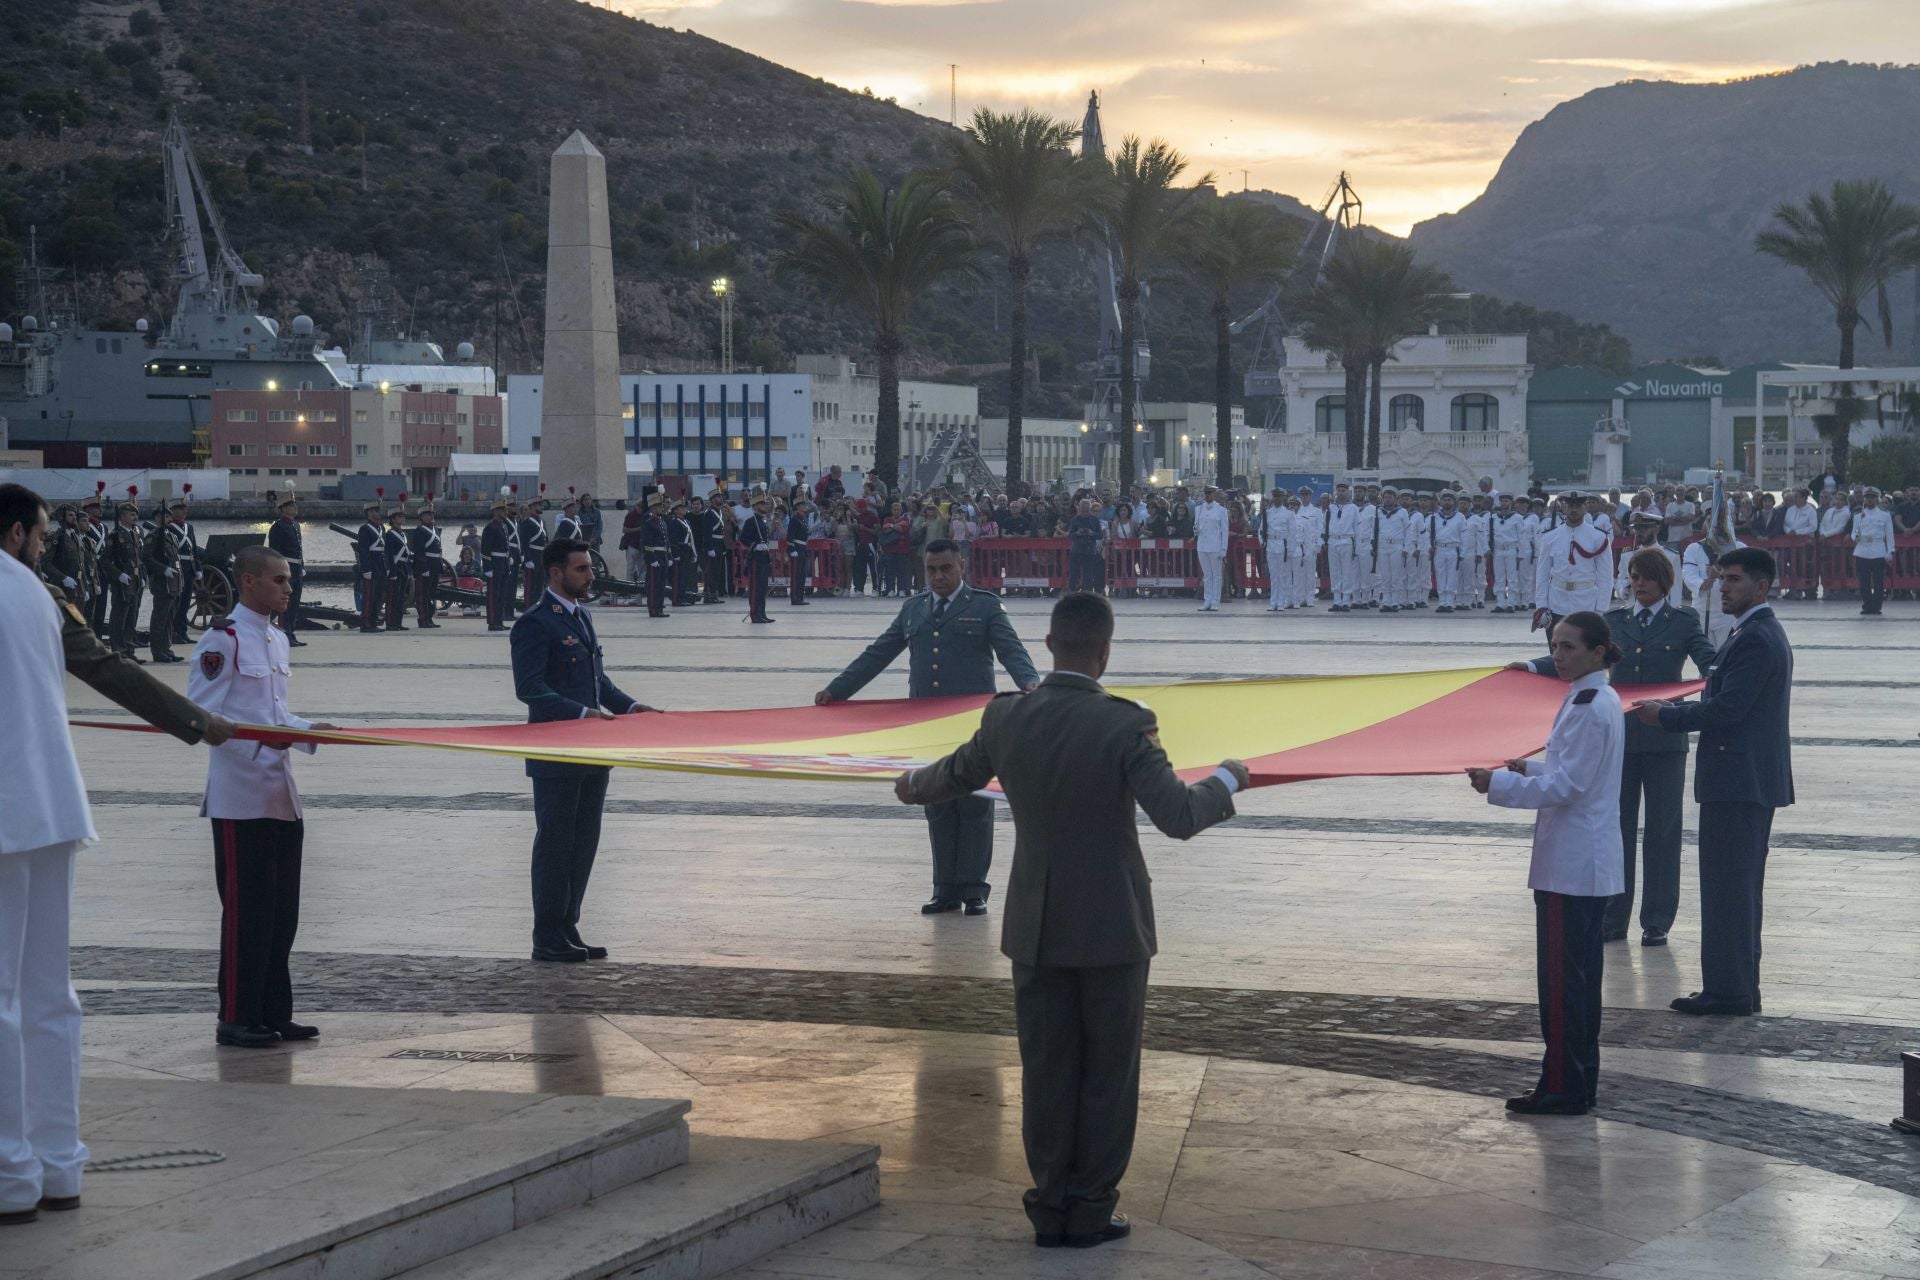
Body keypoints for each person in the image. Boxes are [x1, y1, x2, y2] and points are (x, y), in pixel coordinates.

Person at [894, 592, 1246, 1248]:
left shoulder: (1006, 717)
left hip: (1035, 926)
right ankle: (1090, 1209)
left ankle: (1050, 1204)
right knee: (1108, 1074)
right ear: (1105, 652)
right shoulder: (1126, 724)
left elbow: (954, 775)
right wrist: (1227, 779)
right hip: (1113, 929)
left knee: (1047, 1071)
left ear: (1050, 645)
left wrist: (910, 784)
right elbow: (1178, 815)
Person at [1, 483, 233, 1226]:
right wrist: (197, 721)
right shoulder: (37, 595)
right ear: (16, 536)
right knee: (49, 994)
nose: (42, 547)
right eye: (42, 536)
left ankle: (8, 1173)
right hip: (52, 808)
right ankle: (56, 1163)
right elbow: (108, 668)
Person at [819, 539, 1039, 914]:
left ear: (962, 566)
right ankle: (944, 889)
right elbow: (877, 654)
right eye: (931, 570)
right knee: (937, 803)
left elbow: (1011, 651)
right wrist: (836, 690)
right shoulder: (913, 609)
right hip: (927, 726)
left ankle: (974, 889)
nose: (938, 577)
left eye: (945, 569)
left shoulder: (984, 606)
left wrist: (1031, 685)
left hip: (970, 726)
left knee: (974, 804)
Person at [1513, 547, 1716, 946]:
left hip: (1664, 740)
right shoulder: (1615, 621)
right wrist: (1533, 666)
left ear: (1664, 582)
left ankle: (1657, 919)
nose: (1639, 584)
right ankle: (1613, 916)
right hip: (1620, 738)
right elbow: (1580, 653)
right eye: (1634, 577)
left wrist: (1721, 673)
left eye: (1647, 577)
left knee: (1662, 832)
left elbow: (1708, 661)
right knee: (1616, 827)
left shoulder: (1683, 621)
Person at [1469, 611, 1625, 1115]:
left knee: (1562, 984)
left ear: (1597, 651)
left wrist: (1498, 783)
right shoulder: (1594, 698)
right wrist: (1528, 768)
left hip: (1571, 866)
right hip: (1582, 861)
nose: (1558, 655)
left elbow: (1568, 786)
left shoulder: (1587, 705)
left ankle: (1563, 1086)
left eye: (1568, 647)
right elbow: (1571, 770)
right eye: (1554, 645)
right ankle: (1576, 1080)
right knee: (1577, 981)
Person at [1634, 547, 1793, 1017]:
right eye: (1722, 578)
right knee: (1736, 888)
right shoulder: (1749, 632)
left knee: (1728, 889)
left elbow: (1728, 709)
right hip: (1741, 779)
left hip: (1738, 781)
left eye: (1735, 579)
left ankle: (1728, 992)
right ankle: (1739, 987)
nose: (1723, 587)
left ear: (1761, 587)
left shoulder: (1757, 638)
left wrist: (1666, 716)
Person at [187, 546, 334, 1048]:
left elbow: (274, 713)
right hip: (240, 798)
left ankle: (274, 1012)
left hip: (279, 792)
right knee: (246, 914)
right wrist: (264, 739)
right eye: (279, 580)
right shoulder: (222, 639)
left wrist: (310, 731)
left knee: (281, 914)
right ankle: (236, 1016)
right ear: (248, 581)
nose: (288, 588)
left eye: (288, 580)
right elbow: (202, 718)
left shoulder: (275, 637)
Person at [512, 538, 658, 963]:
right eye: (581, 569)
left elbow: (599, 682)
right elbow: (530, 689)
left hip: (593, 752)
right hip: (556, 753)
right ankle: (546, 934)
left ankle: (568, 926)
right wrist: (581, 713)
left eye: (590, 568)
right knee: (556, 844)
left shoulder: (583, 616)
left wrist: (631, 707)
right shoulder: (535, 624)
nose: (591, 576)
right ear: (556, 573)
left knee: (583, 844)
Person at [1533, 491, 1613, 645]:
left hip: (1586, 603)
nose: (1574, 510)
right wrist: (1541, 605)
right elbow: (1542, 573)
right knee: (1557, 652)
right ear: (1564, 507)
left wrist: (1601, 609)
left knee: (1585, 651)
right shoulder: (1550, 536)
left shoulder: (1598, 537)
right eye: (1570, 506)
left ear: (1585, 507)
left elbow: (1605, 576)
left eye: (1578, 506)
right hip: (1556, 603)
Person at [1682, 530, 1745, 648]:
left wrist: (1720, 575)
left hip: (1728, 612)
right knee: (1704, 651)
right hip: (1702, 609)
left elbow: (1744, 576)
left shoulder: (1739, 547)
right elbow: (1688, 573)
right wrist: (1701, 584)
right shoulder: (1694, 548)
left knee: (1727, 650)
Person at [1617, 512, 1682, 608]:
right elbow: (1620, 581)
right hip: (1634, 610)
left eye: (1644, 528)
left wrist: (1674, 612)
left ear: (1656, 529)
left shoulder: (1670, 556)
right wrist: (1623, 590)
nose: (1639, 532)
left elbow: (1675, 589)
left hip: (1660, 611)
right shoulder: (1627, 555)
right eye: (1636, 528)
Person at [267, 496, 307, 646]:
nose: (295, 508)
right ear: (283, 508)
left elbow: (299, 550)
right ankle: (284, 634)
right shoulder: (278, 527)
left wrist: (302, 567)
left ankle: (291, 633)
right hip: (286, 569)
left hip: (296, 569)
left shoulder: (295, 525)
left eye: (295, 505)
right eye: (291, 506)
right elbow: (275, 552)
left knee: (294, 603)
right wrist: (279, 571)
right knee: (285, 604)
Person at [1849, 487, 1894, 615]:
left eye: (1872, 498)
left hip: (1878, 550)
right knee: (1864, 582)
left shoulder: (1884, 515)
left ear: (1877, 499)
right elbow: (1853, 534)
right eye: (1867, 497)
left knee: (1879, 582)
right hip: (1862, 551)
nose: (1870, 500)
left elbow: (1889, 535)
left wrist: (1890, 551)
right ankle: (1867, 605)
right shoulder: (1858, 516)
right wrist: (1858, 538)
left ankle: (1877, 606)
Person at [739, 496, 778, 623]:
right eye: (762, 504)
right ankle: (755, 614)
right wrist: (755, 545)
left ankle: (762, 613)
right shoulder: (751, 521)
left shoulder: (763, 520)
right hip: (755, 558)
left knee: (762, 587)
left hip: (763, 557)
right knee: (755, 587)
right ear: (755, 506)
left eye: (765, 504)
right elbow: (743, 538)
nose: (765, 506)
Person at [1193, 486, 1230, 611]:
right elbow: (1196, 526)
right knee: (1207, 575)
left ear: (1214, 495)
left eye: (1210, 493)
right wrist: (1196, 530)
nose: (1208, 496)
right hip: (1202, 545)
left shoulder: (1221, 510)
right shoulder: (1199, 509)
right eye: (1206, 493)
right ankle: (1207, 600)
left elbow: (1225, 531)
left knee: (1217, 575)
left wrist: (1223, 549)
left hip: (1215, 546)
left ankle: (1215, 601)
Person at [481, 502, 516, 631]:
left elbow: (506, 545)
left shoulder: (504, 526)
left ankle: (499, 621)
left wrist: (509, 557)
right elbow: (485, 550)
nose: (505, 512)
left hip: (503, 563)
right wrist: (487, 568)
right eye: (502, 510)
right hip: (495, 563)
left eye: (505, 510)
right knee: (493, 595)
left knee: (502, 595)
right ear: (495, 512)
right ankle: (492, 622)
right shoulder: (490, 527)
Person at [1324, 483, 1359, 611]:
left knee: (1347, 572)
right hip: (1333, 540)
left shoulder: (1353, 508)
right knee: (1335, 572)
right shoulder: (1331, 507)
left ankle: (1345, 601)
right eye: (1339, 490)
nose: (1341, 493)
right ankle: (1337, 601)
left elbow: (1357, 528)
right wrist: (1325, 541)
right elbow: (1325, 524)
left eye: (1343, 490)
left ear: (1348, 493)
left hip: (1347, 540)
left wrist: (1357, 546)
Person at [409, 506, 444, 628]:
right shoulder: (420, 531)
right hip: (425, 566)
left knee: (431, 594)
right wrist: (424, 568)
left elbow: (439, 550)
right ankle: (423, 619)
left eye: (432, 514)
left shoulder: (435, 530)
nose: (431, 516)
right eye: (428, 515)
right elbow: (419, 551)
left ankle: (429, 618)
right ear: (422, 517)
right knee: (423, 595)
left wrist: (440, 566)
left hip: (435, 566)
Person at [641, 494, 674, 619]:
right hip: (655, 557)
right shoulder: (649, 523)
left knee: (661, 585)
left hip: (663, 556)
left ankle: (659, 608)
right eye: (659, 506)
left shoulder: (662, 522)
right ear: (653, 507)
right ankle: (653, 609)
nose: (662, 508)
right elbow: (646, 543)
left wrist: (669, 556)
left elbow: (667, 541)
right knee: (653, 585)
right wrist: (652, 559)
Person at [381, 508, 412, 631]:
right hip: (395, 567)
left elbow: (406, 554)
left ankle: (398, 623)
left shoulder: (403, 534)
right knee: (393, 597)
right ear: (392, 519)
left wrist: (409, 571)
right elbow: (388, 554)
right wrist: (391, 571)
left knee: (401, 597)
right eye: (399, 516)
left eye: (403, 516)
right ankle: (390, 623)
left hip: (403, 567)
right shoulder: (390, 534)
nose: (402, 518)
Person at [786, 497, 813, 606]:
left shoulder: (803, 519)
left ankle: (800, 596)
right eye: (802, 504)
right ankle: (795, 598)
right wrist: (792, 549)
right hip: (797, 548)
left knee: (802, 575)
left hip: (803, 548)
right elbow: (790, 536)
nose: (805, 506)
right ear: (797, 507)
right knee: (796, 575)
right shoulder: (794, 519)